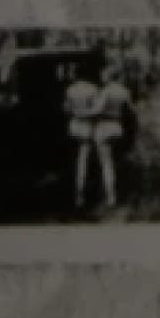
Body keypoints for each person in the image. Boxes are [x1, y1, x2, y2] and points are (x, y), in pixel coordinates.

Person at [64, 57, 129, 214]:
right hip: (99, 128)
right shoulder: (96, 90)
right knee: (106, 163)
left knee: (80, 162)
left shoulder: (70, 89)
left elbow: (67, 108)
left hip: (76, 127)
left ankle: (79, 196)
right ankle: (110, 196)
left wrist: (78, 113)